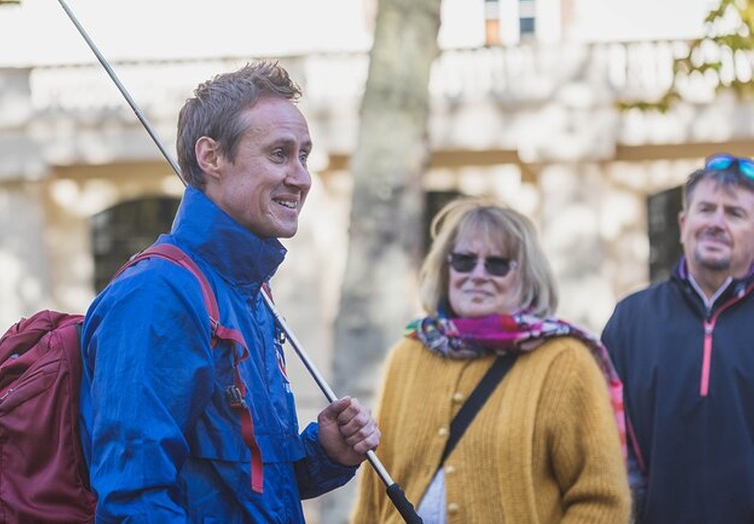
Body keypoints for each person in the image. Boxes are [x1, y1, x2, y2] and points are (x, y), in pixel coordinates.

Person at [78, 60, 380, 522]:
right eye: (279, 154)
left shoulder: (249, 294)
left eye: (304, 156)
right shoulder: (158, 297)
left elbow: (243, 488)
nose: (300, 177)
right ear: (211, 157)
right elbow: (134, 503)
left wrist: (323, 454)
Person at [350, 199, 631, 523]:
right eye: (465, 261)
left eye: (497, 264)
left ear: (526, 277)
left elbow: (602, 501)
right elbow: (373, 497)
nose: (479, 275)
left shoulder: (566, 361)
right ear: (446, 267)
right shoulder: (407, 356)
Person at [601, 153, 754, 524]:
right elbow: (602, 444)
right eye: (705, 209)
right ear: (684, 224)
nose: (716, 223)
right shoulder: (631, 319)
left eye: (734, 214)